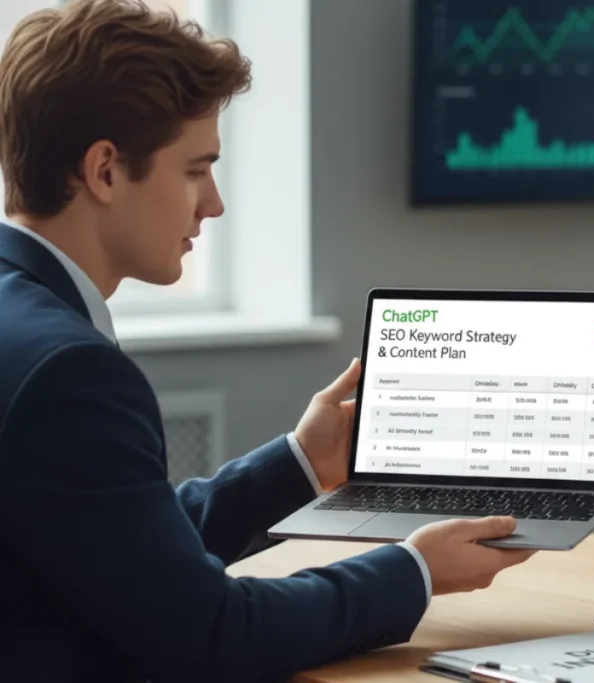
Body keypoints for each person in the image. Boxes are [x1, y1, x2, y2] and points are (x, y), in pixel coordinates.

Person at [0, 1, 534, 681]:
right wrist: (416, 569)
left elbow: (121, 546)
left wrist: (300, 463)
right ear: (105, 171)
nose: (213, 202)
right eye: (196, 169)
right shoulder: (68, 372)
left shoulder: (22, 322)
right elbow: (214, 633)